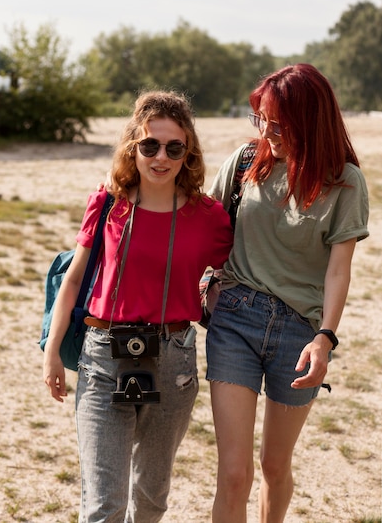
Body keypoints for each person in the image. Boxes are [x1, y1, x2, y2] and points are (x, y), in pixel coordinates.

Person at [43, 90, 233, 523]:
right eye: (150, 145)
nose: (160, 157)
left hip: (174, 361)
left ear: (188, 152)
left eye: (173, 147)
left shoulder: (210, 217)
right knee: (104, 505)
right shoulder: (109, 203)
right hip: (102, 355)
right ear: (134, 146)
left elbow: (234, 277)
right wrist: (52, 351)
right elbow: (73, 280)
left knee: (149, 499)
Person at [206, 63, 369, 523]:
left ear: (311, 120)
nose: (267, 131)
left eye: (279, 123)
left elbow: (339, 271)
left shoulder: (345, 182)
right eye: (261, 118)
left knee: (273, 466)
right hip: (234, 321)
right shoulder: (244, 162)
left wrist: (325, 338)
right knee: (233, 475)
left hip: (300, 335)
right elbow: (200, 227)